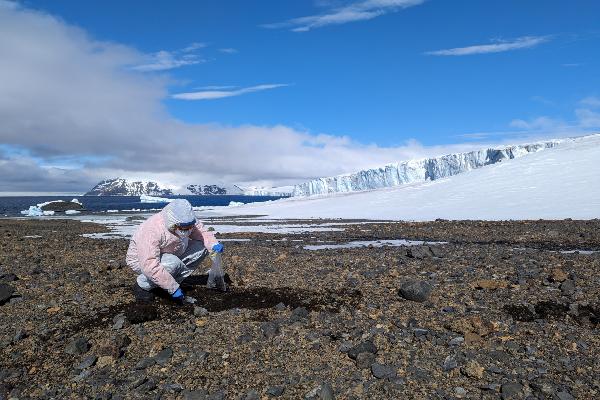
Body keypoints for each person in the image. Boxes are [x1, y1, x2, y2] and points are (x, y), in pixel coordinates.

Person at [126, 199, 223, 302]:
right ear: (173, 223)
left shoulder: (187, 219)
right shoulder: (151, 230)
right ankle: (143, 285)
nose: (189, 230)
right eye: (184, 228)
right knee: (173, 263)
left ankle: (170, 282)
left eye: (190, 227)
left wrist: (213, 244)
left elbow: (201, 233)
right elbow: (149, 264)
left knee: (203, 246)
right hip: (142, 261)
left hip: (172, 252)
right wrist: (173, 289)